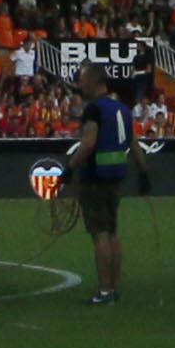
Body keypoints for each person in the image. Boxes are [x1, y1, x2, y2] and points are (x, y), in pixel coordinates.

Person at [62, 62, 142, 307]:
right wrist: (144, 173)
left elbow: (88, 143)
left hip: (95, 178)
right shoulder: (122, 109)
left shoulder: (94, 109)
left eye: (83, 79)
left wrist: (70, 168)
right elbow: (135, 144)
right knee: (112, 232)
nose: (79, 84)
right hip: (116, 177)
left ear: (95, 81)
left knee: (100, 234)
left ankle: (104, 291)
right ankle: (113, 287)